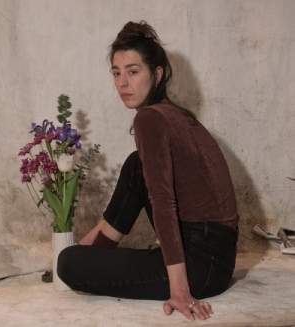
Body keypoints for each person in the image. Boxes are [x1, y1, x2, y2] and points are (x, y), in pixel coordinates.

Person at [58, 20, 239, 321]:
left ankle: (88, 255)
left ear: (156, 75)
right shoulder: (174, 114)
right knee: (136, 164)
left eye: (133, 71)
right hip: (217, 256)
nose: (122, 83)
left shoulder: (150, 119)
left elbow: (164, 204)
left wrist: (180, 289)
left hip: (199, 267)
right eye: (116, 73)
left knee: (67, 263)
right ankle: (94, 247)